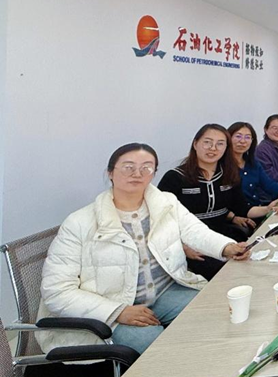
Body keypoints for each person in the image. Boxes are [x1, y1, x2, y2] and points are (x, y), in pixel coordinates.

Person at [37, 143, 250, 356]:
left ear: (154, 173)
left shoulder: (166, 203)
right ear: (110, 172)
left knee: (218, 313)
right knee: (163, 350)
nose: (137, 173)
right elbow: (57, 291)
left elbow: (195, 231)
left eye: (146, 167)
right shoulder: (79, 222)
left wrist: (227, 247)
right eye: (128, 167)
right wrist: (118, 311)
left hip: (164, 293)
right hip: (114, 307)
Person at [158, 124, 278, 279]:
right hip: (193, 244)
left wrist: (268, 209)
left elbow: (243, 209)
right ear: (195, 144)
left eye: (220, 144)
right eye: (207, 142)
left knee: (259, 262)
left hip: (224, 236)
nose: (213, 148)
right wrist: (183, 247)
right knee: (232, 274)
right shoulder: (175, 177)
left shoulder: (229, 175)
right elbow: (160, 220)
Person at [229, 121, 278, 206]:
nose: (242, 141)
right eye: (238, 136)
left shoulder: (253, 163)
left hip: (258, 209)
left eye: (247, 137)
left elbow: (269, 185)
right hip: (239, 213)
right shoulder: (223, 166)